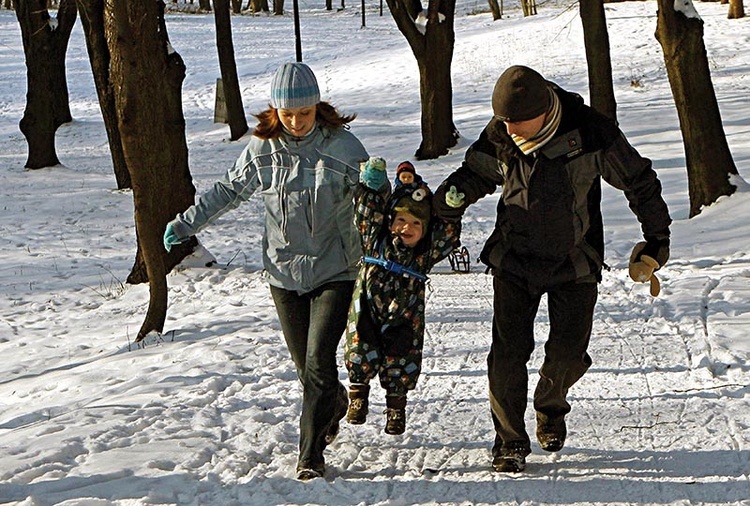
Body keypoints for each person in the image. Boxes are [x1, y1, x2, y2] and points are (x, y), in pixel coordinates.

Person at [432, 65, 672, 473]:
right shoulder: (502, 133)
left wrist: (657, 240)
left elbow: (640, 180)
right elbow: (476, 172)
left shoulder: (591, 132)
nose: (509, 130)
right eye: (504, 122)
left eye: (517, 123)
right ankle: (509, 441)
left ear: (544, 111)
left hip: (574, 261)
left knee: (567, 354)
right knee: (506, 356)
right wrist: (450, 199)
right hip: (514, 257)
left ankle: (550, 405)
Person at [162, 62, 369, 481]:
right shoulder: (262, 149)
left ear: (317, 107)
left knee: (316, 362)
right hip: (283, 273)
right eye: (287, 114)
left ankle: (309, 455)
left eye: (304, 113)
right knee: (307, 370)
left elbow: (374, 198)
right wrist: (186, 223)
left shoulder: (343, 148)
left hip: (337, 268)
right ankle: (330, 405)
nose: (296, 122)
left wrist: (383, 189)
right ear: (275, 111)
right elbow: (227, 191)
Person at [344, 158, 461, 436]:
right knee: (361, 346)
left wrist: (450, 213)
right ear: (390, 221)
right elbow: (366, 213)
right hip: (368, 307)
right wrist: (371, 189)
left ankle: (396, 407)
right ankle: (358, 395)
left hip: (405, 314)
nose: (405, 228)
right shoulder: (375, 240)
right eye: (400, 221)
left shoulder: (423, 255)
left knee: (402, 356)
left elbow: (446, 237)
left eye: (414, 224)